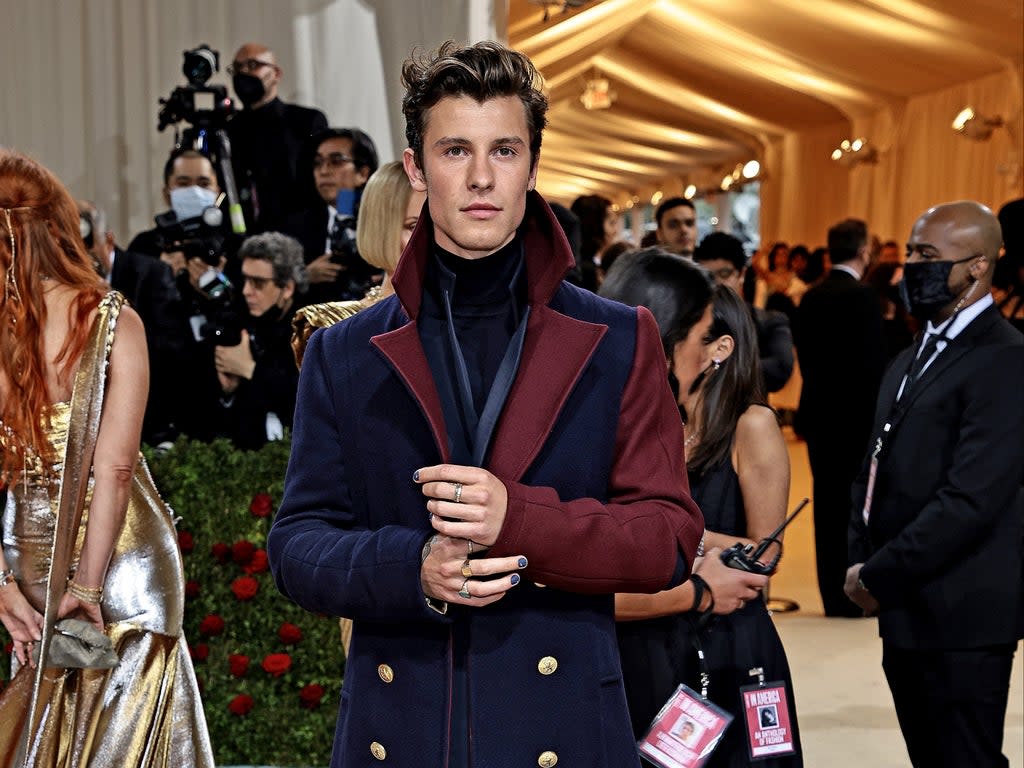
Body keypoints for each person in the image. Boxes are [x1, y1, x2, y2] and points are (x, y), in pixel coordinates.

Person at [267, 40, 704, 768]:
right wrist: (412, 567)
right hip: (399, 725)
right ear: (415, 167)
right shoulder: (345, 352)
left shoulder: (619, 338)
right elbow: (298, 543)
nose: (479, 177)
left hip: (561, 725)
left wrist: (520, 521)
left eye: (503, 150)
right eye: (453, 150)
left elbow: (669, 538)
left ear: (533, 165)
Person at [0, 150, 213, 765]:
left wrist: (5, 588)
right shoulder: (111, 318)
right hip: (124, 557)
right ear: (59, 223)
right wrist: (88, 586)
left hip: (29, 555)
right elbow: (114, 471)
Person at [846, 201, 1024, 768]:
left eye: (927, 256)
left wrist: (878, 572)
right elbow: (875, 465)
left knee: (965, 758)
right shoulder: (909, 356)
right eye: (908, 252)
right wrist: (861, 554)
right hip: (908, 605)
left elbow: (971, 500)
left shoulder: (1006, 360)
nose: (910, 268)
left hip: (964, 611)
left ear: (977, 266)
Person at [605, 261, 801, 766]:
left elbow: (765, 549)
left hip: (726, 631)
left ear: (720, 347)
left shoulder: (751, 424)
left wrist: (682, 539)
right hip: (653, 622)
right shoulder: (649, 421)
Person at [794, 218, 885, 617]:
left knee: (826, 506)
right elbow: (873, 366)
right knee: (856, 508)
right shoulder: (864, 297)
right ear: (864, 251)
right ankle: (854, 595)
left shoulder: (811, 297)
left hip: (818, 414)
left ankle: (832, 594)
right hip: (856, 420)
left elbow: (807, 357)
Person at [291, 159, 425, 366]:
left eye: (438, 224)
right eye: (414, 225)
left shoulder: (467, 309)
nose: (431, 237)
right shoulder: (335, 326)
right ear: (381, 230)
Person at [226, 42, 329, 233]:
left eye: (253, 65)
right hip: (243, 239)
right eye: (238, 67)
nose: (244, 73)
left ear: (276, 74)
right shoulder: (228, 129)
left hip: (303, 238)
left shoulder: (306, 120)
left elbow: (336, 181)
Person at [285, 127, 381, 304]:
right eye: (318, 163)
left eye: (336, 161)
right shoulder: (296, 227)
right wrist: (304, 277)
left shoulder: (386, 221)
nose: (324, 171)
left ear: (363, 173)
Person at [694, 232, 794, 393]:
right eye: (708, 277)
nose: (716, 283)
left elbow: (780, 369)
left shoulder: (768, 321)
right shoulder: (689, 321)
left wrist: (710, 363)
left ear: (742, 274)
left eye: (724, 274)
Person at [570, 193, 617, 291]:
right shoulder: (585, 272)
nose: (615, 231)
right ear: (595, 226)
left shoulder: (574, 262)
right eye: (611, 223)